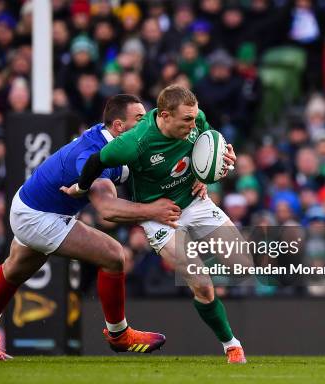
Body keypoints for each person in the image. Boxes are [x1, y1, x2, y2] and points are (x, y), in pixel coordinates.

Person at [0, 94, 205, 360]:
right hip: (40, 215)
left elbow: (153, 167)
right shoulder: (92, 156)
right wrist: (154, 210)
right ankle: (119, 334)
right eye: (139, 119)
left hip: (30, 203)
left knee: (16, 269)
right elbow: (107, 209)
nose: (148, 123)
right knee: (114, 255)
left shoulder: (120, 143)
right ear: (118, 126)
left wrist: (198, 174)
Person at [65, 85, 251, 364]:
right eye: (186, 120)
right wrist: (81, 186)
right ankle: (231, 345)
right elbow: (96, 160)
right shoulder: (135, 142)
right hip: (160, 216)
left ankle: (200, 262)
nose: (193, 123)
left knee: (243, 266)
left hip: (195, 201)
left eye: (195, 117)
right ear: (164, 115)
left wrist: (214, 170)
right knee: (201, 284)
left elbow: (212, 145)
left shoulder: (195, 118)